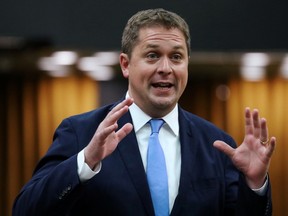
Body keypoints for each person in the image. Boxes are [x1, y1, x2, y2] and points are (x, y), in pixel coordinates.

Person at [13, 8, 276, 216]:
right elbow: (26, 209)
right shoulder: (82, 132)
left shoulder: (217, 144)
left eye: (176, 57)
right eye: (152, 55)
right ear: (126, 65)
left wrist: (255, 184)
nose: (166, 68)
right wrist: (85, 162)